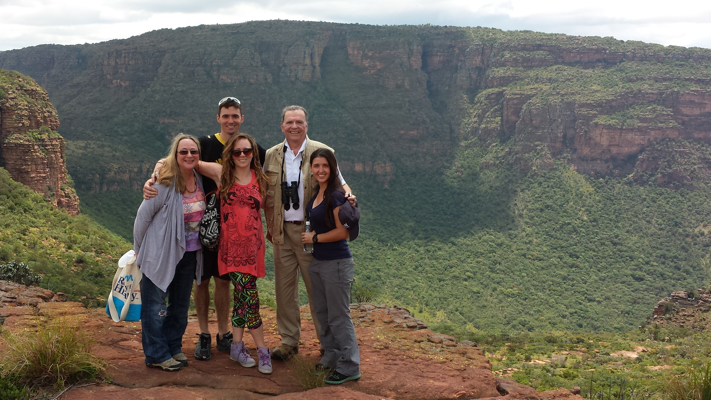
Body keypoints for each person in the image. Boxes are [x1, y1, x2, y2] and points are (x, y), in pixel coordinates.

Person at [143, 97, 266, 361]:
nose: (230, 120)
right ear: (218, 118)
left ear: (242, 118)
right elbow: (179, 161)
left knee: (223, 281)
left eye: (235, 116)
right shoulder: (205, 144)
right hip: (200, 229)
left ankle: (223, 333)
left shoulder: (253, 149)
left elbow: (262, 184)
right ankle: (203, 334)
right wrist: (157, 170)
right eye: (226, 116)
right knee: (201, 280)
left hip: (233, 231)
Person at [263, 105, 355, 360]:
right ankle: (289, 341)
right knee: (284, 290)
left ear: (306, 125)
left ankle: (327, 344)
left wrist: (349, 196)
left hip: (309, 233)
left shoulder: (321, 152)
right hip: (280, 233)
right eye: (290, 122)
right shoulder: (271, 156)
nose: (294, 126)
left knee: (317, 290)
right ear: (282, 126)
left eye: (299, 122)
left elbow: (339, 180)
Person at [198, 133, 273, 374]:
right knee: (251, 300)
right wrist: (157, 171)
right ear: (229, 154)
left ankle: (237, 347)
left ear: (253, 154)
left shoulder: (260, 178)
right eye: (237, 151)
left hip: (253, 250)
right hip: (230, 251)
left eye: (247, 151)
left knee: (242, 300)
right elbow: (187, 160)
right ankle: (262, 350)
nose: (242, 155)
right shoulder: (223, 175)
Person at [133, 133, 205, 372]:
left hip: (189, 253)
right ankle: (156, 353)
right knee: (155, 306)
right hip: (160, 254)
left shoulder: (199, 179)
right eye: (183, 151)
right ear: (175, 155)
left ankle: (173, 346)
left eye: (193, 151)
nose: (189, 155)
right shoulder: (163, 183)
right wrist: (140, 251)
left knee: (180, 306)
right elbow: (142, 217)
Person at [301, 148, 361, 384]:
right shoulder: (318, 194)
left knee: (338, 316)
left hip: (336, 263)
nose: (320, 170)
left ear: (333, 168)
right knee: (323, 313)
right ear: (311, 169)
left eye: (325, 166)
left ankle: (349, 366)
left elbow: (343, 232)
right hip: (319, 262)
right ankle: (332, 356)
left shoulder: (335, 196)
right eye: (316, 166)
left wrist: (314, 238)